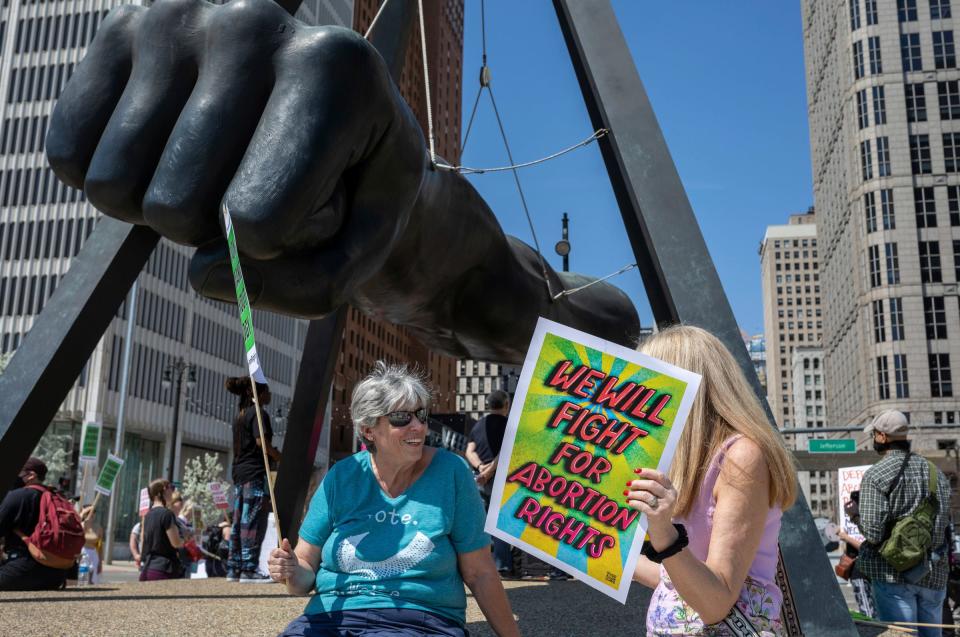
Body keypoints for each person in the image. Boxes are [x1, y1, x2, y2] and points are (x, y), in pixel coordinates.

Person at [268, 362, 519, 637]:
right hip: (332, 618)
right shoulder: (342, 477)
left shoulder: (451, 473)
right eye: (402, 418)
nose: (419, 427)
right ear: (368, 430)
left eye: (421, 415)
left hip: (419, 620)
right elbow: (305, 574)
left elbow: (480, 573)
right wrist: (291, 572)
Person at [627, 325, 797, 635]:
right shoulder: (682, 461)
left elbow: (716, 602)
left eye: (645, 385)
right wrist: (594, 551)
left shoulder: (739, 457)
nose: (635, 400)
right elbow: (678, 583)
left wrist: (663, 531)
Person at [855, 410, 952, 637]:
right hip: (934, 572)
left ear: (882, 437)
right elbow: (945, 523)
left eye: (875, 435)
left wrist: (854, 516)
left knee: (901, 635)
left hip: (893, 574)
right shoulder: (935, 473)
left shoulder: (876, 475)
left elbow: (872, 532)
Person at [225, 376, 281, 583]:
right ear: (257, 394)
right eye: (266, 391)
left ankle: (234, 567)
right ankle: (249, 568)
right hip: (254, 472)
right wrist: (279, 456)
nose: (270, 394)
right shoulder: (259, 414)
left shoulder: (239, 416)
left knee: (239, 519)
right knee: (252, 519)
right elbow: (261, 442)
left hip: (239, 472)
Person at [466, 390, 514, 577]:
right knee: (499, 523)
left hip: (479, 480)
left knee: (481, 524)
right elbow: (506, 453)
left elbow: (470, 450)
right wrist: (489, 471)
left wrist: (480, 468)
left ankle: (480, 566)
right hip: (500, 480)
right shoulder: (509, 425)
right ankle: (502, 566)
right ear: (506, 405)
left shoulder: (478, 425)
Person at [0, 458, 69, 591]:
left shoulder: (17, 496)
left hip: (21, 571)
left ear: (31, 475)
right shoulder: (57, 497)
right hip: (56, 576)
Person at [838, 491, 875, 618]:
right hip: (858, 571)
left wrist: (846, 537)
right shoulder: (854, 520)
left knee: (869, 611)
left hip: (867, 571)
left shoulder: (869, 522)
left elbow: (866, 546)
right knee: (867, 610)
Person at [139, 478, 184, 581]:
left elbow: (143, 540)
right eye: (171, 488)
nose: (172, 492)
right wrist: (185, 539)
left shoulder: (148, 515)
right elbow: (175, 543)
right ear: (164, 490)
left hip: (148, 567)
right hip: (164, 569)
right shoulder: (167, 514)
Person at [79, 504, 104, 585]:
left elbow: (99, 546)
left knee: (93, 579)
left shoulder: (99, 528)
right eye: (88, 512)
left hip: (94, 553)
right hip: (82, 553)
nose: (91, 514)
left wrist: (100, 562)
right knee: (83, 578)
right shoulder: (81, 525)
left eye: (93, 512)